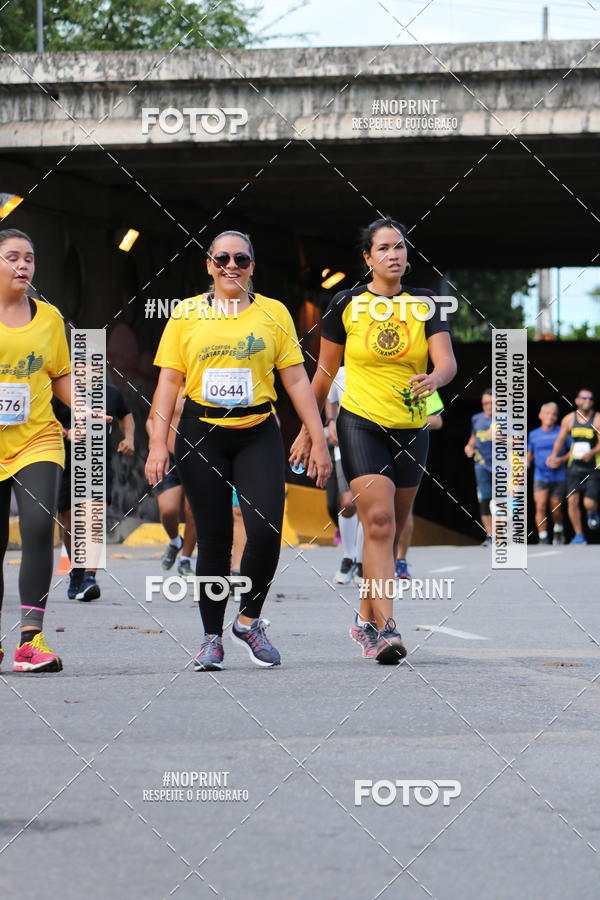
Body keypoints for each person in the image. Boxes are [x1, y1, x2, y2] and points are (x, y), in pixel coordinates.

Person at [145, 230, 331, 671]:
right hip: (200, 431)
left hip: (257, 431)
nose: (232, 265)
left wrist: (318, 437)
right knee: (213, 538)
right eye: (222, 258)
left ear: (252, 266)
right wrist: (157, 442)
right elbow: (169, 382)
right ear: (208, 265)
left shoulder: (274, 312)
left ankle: (249, 620)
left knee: (265, 531)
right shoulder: (186, 314)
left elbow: (296, 380)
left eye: (241, 259)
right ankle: (211, 638)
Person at [291, 216, 457, 663]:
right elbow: (324, 373)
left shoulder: (426, 304)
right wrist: (310, 430)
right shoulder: (345, 303)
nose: (394, 255)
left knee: (393, 526)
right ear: (368, 258)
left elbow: (447, 362)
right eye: (384, 248)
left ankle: (364, 620)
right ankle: (387, 628)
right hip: (361, 423)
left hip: (413, 425)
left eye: (400, 247)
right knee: (379, 523)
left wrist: (435, 378)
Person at [0, 229, 111, 672]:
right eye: (12, 257)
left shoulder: (48, 318)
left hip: (37, 437)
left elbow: (60, 373)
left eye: (29, 258)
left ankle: (31, 639)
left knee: (37, 526)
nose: (23, 265)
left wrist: (83, 407)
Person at [54, 382, 135, 599]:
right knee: (70, 524)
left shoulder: (111, 392)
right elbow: (43, 421)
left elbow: (126, 415)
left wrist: (129, 438)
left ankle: (90, 577)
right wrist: (66, 432)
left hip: (99, 465)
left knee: (94, 519)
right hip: (67, 464)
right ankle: (77, 572)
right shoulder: (59, 391)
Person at [146, 388, 197, 577]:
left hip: (198, 457)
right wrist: (156, 444)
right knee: (168, 510)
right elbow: (152, 419)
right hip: (170, 457)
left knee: (192, 511)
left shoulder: (202, 383)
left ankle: (186, 559)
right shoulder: (169, 386)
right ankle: (176, 541)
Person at [395, 389, 444, 579]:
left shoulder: (422, 382)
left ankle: (400, 559)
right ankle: (367, 560)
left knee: (403, 510)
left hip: (409, 453)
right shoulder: (375, 376)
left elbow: (437, 420)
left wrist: (403, 417)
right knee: (377, 509)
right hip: (377, 451)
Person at [548, 389, 600, 544]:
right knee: (572, 500)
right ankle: (579, 535)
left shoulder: (597, 419)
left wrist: (591, 452)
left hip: (593, 466)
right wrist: (554, 455)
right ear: (576, 400)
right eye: (584, 398)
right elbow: (560, 440)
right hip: (574, 466)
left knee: (588, 503)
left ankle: (592, 512)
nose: (587, 400)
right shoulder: (569, 419)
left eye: (590, 398)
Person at [325, 365, 361, 584]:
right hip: (345, 444)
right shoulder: (339, 372)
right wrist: (330, 423)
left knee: (369, 505)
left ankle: (362, 564)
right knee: (347, 503)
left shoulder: (383, 368)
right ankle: (349, 556)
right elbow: (330, 400)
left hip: (374, 443)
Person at [527, 402, 569, 544]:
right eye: (547, 413)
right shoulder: (533, 434)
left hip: (558, 475)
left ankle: (558, 529)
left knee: (555, 507)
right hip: (540, 475)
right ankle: (543, 537)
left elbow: (573, 450)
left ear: (556, 417)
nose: (550, 416)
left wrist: (561, 459)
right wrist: (526, 461)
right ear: (540, 415)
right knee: (540, 505)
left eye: (553, 414)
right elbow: (529, 453)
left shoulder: (561, 432)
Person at [464, 389, 493, 546]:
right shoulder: (476, 419)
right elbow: (473, 439)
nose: (488, 406)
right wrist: (469, 447)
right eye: (485, 403)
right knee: (485, 499)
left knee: (502, 501)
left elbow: (517, 442)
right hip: (481, 464)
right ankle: (489, 535)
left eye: (491, 403)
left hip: (502, 466)